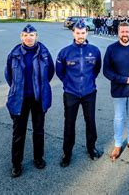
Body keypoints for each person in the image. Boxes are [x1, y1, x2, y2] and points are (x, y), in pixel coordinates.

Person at [4, 24, 55, 178]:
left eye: (32, 35)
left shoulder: (44, 53)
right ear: (21, 37)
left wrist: (40, 87)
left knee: (38, 130)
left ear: (36, 36)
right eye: (26, 35)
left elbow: (50, 73)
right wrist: (17, 88)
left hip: (38, 98)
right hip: (20, 99)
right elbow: (9, 75)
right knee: (18, 133)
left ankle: (38, 158)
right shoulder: (14, 54)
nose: (29, 37)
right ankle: (16, 164)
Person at [56, 20, 103, 167]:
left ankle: (91, 148)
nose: (80, 35)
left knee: (90, 122)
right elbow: (60, 72)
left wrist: (88, 83)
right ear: (73, 33)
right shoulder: (65, 52)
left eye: (83, 33)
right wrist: (69, 83)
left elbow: (96, 70)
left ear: (87, 33)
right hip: (71, 93)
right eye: (78, 33)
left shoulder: (95, 51)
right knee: (69, 123)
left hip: (89, 92)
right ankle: (67, 153)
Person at [103, 21, 129, 160]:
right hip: (118, 90)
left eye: (127, 31)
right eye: (122, 32)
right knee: (119, 118)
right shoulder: (111, 49)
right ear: (118, 32)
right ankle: (118, 144)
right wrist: (124, 80)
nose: (125, 34)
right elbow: (106, 71)